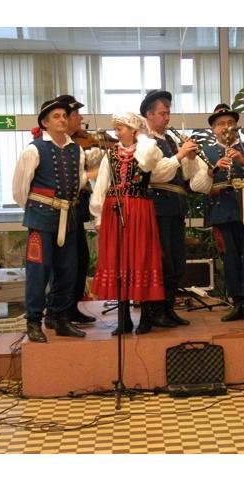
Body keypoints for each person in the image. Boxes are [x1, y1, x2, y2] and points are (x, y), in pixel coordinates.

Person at [12, 99, 88, 342]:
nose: (62, 119)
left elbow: (78, 182)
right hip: (41, 219)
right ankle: (34, 321)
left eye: (64, 115)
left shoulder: (77, 150)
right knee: (39, 271)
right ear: (44, 123)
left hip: (69, 218)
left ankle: (61, 318)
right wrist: (38, 210)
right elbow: (19, 189)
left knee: (68, 270)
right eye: (56, 116)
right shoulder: (33, 150)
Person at [190, 104, 244, 323]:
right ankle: (237, 303)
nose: (226, 127)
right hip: (222, 211)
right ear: (214, 129)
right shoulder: (205, 153)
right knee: (230, 258)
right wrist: (212, 170)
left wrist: (243, 161)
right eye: (221, 124)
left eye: (230, 123)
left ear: (236, 126)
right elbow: (197, 185)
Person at [90, 113, 165, 335]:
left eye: (120, 128)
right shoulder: (110, 155)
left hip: (139, 210)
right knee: (119, 259)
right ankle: (123, 319)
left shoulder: (148, 149)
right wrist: (98, 216)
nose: (116, 133)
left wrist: (140, 137)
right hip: (114, 211)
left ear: (133, 130)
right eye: (116, 129)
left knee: (141, 258)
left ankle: (146, 317)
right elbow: (101, 185)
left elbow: (147, 161)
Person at [40, 94, 103, 330]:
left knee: (80, 260)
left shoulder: (77, 145)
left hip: (76, 210)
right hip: (58, 213)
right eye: (74, 114)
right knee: (63, 264)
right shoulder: (51, 146)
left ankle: (71, 307)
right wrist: (91, 174)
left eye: (71, 115)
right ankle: (56, 311)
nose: (78, 118)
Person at [139, 90, 200, 328]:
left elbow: (186, 176)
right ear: (149, 114)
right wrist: (181, 154)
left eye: (168, 113)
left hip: (175, 206)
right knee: (161, 261)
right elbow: (155, 173)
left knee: (177, 262)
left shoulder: (171, 141)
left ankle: (168, 308)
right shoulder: (144, 141)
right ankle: (156, 310)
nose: (167, 118)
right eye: (162, 113)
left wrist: (190, 157)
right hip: (157, 207)